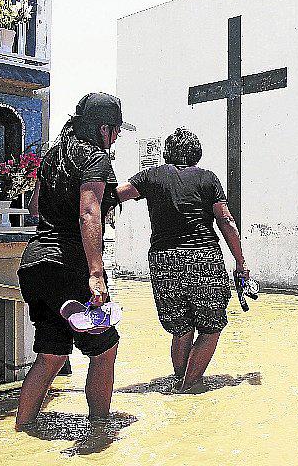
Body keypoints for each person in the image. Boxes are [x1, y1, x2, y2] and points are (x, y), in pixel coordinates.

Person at [15, 93, 133, 429]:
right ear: (103, 128)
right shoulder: (94, 158)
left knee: (51, 355)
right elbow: (88, 211)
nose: (117, 137)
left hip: (35, 264)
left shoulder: (53, 156)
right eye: (116, 130)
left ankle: (22, 428)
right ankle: (99, 428)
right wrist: (96, 273)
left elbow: (35, 208)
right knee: (105, 348)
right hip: (68, 265)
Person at [115, 128, 248, 392]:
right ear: (196, 153)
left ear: (167, 152)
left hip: (164, 261)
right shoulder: (208, 179)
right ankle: (189, 386)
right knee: (211, 327)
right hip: (204, 258)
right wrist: (241, 261)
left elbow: (115, 194)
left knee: (180, 327)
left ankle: (178, 383)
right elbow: (225, 220)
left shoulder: (152, 175)